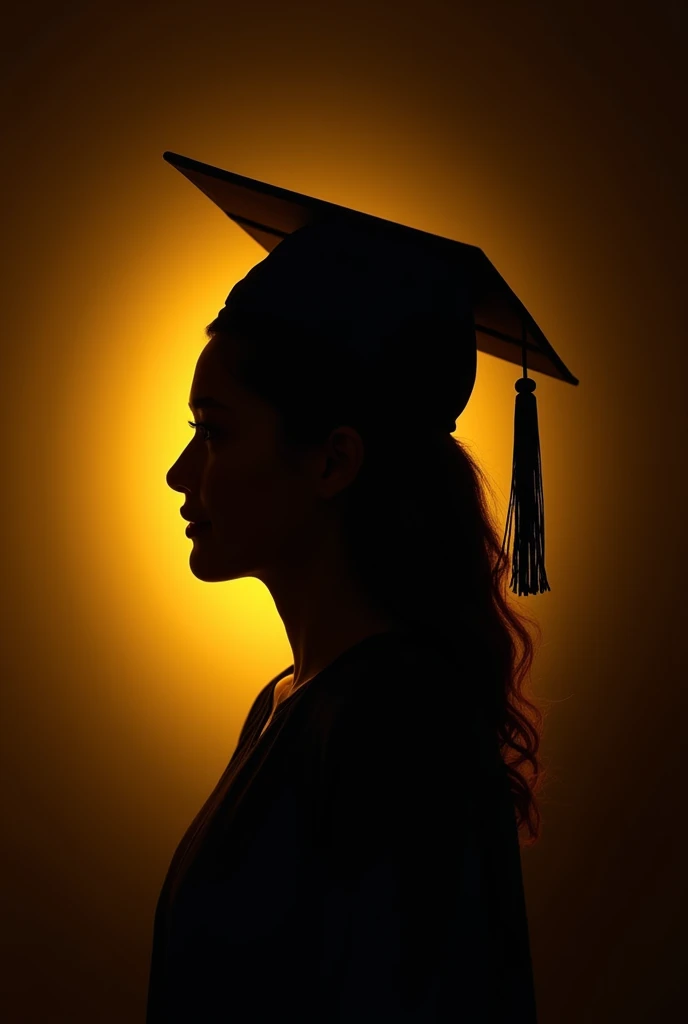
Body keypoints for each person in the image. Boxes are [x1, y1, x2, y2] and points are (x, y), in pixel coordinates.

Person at [145, 166, 566, 1020]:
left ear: (334, 461)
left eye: (215, 432)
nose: (180, 473)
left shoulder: (399, 729)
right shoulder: (290, 705)